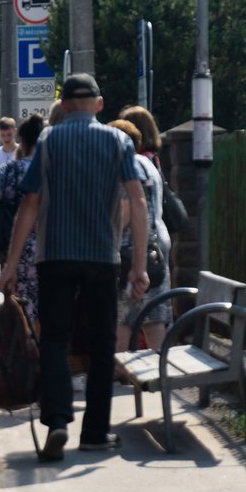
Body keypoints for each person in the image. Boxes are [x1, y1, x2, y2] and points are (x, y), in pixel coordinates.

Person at [0, 73, 148, 461]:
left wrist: (11, 265)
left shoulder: (48, 141)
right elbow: (138, 200)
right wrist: (139, 266)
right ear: (99, 105)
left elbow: (29, 204)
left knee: (55, 341)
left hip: (55, 257)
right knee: (101, 346)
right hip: (103, 257)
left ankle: (59, 421)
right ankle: (96, 432)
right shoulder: (119, 141)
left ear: (64, 106)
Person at [109, 118, 169, 353]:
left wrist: (103, 236)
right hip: (156, 248)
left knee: (123, 319)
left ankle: (119, 375)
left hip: (130, 251)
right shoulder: (148, 165)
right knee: (154, 319)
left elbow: (126, 211)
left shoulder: (127, 168)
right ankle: (163, 372)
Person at [0, 113, 45, 329]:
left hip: (18, 251)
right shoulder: (57, 169)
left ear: (22, 141)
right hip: (57, 249)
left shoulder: (8, 171)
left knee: (22, 308)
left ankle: (28, 354)